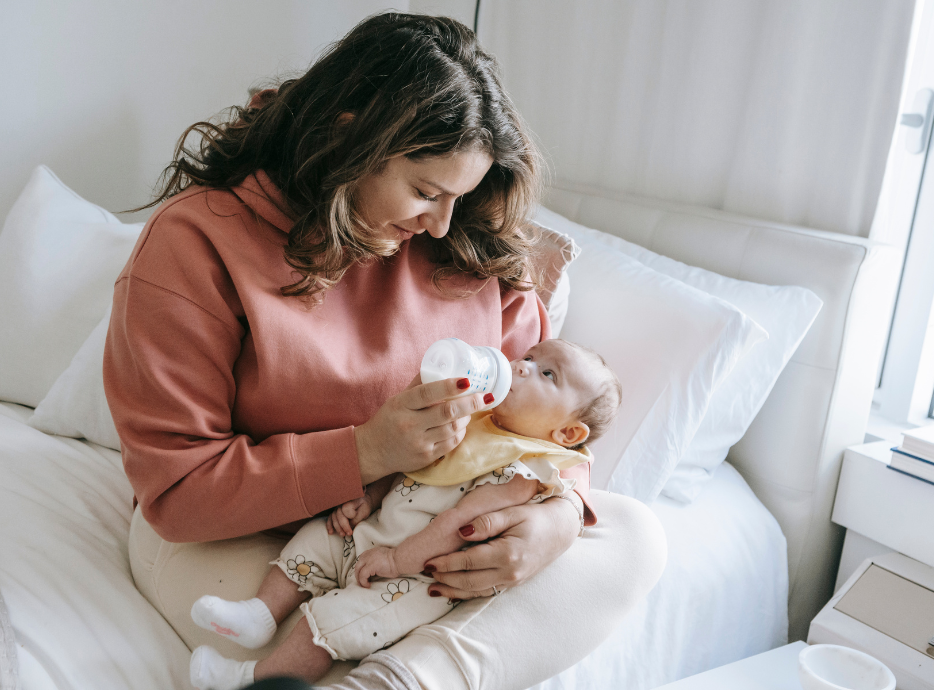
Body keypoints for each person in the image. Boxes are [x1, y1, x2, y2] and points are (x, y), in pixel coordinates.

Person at [104, 12, 667, 690]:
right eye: (427, 191)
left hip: (414, 529)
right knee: (321, 636)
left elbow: (540, 434)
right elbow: (180, 492)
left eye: (459, 197)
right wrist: (367, 452)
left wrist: (559, 514)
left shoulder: (467, 243)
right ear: (349, 134)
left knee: (633, 535)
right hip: (237, 536)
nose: (442, 222)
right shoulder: (196, 243)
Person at [188, 339, 620, 690]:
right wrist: (370, 497)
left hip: (414, 576)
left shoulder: (523, 469)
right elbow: (410, 462)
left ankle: (250, 679)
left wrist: (397, 561)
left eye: (547, 374)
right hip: (374, 532)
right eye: (528, 356)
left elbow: (457, 524)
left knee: (329, 626)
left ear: (566, 434)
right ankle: (259, 614)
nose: (522, 366)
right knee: (316, 542)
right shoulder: (474, 415)